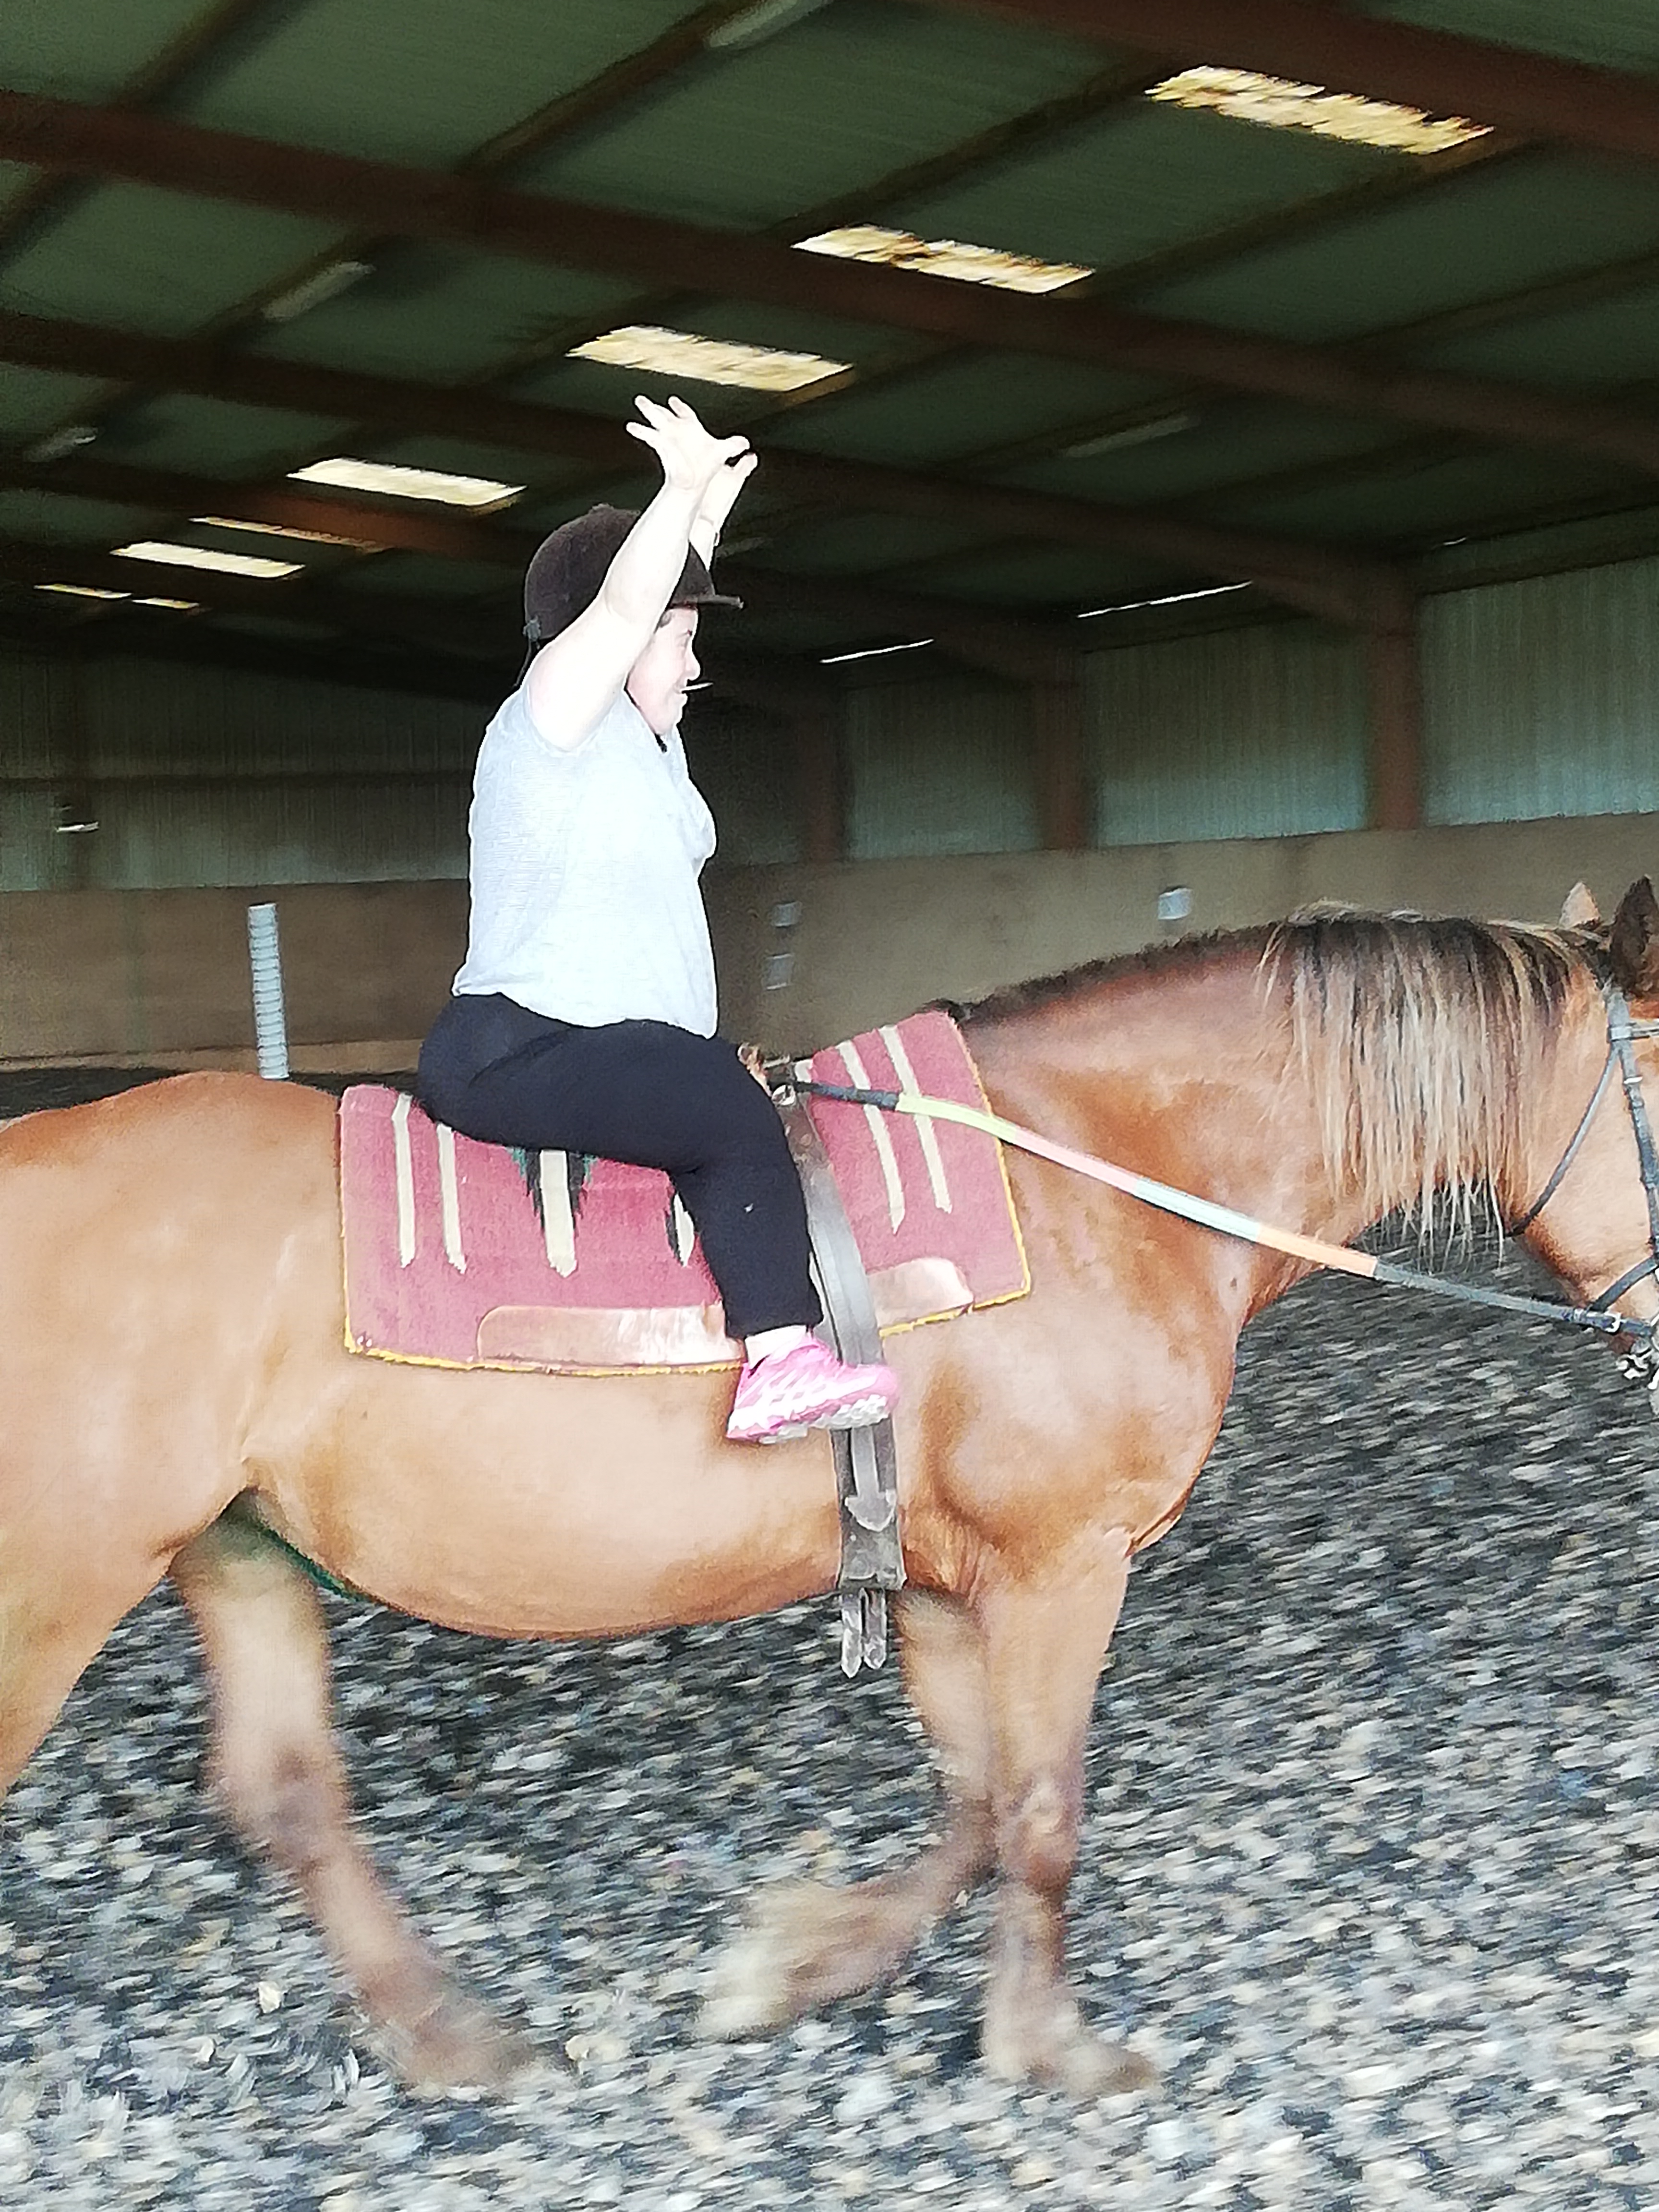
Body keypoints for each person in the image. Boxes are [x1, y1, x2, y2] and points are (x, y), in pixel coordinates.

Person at [418, 394, 898, 1445]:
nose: (694, 663)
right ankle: (779, 1356)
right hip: (519, 1045)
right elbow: (627, 611)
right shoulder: (550, 724)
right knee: (727, 1112)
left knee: (717, 1085)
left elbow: (654, 602)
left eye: (692, 638)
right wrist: (673, 492)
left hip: (610, 1042)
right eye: (677, 640)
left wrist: (704, 518)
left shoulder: (645, 743)